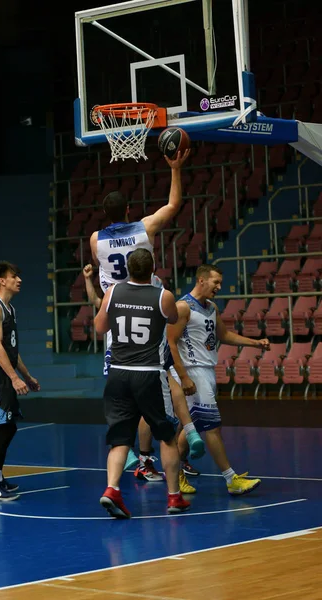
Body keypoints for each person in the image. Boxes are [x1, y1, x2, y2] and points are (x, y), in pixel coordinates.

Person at [88, 148, 204, 483]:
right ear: (127, 210)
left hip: (115, 313)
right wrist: (175, 169)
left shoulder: (96, 239)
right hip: (146, 307)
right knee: (157, 378)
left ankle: (127, 451)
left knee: (121, 385)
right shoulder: (143, 227)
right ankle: (175, 439)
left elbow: (100, 267)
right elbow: (173, 206)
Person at [83, 262, 201, 495]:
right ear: (153, 268)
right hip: (147, 368)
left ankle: (112, 488)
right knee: (167, 435)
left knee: (120, 437)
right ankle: (173, 493)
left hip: (119, 366)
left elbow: (98, 324)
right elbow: (173, 317)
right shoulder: (161, 295)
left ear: (128, 268)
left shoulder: (113, 293)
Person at [167, 264, 270, 495]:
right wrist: (183, 377)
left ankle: (177, 474)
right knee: (213, 427)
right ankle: (231, 479)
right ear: (201, 280)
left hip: (207, 371)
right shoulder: (182, 307)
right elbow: (170, 342)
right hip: (192, 372)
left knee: (190, 427)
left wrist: (255, 343)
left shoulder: (211, 307)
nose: (219, 287)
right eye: (216, 282)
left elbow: (223, 335)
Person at [0, 261, 40, 501]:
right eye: (14, 276)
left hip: (6, 371)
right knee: (5, 427)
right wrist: (14, 378)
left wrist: (26, 376)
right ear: (1, 281)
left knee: (10, 426)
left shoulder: (10, 309)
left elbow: (11, 349)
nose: (19, 280)